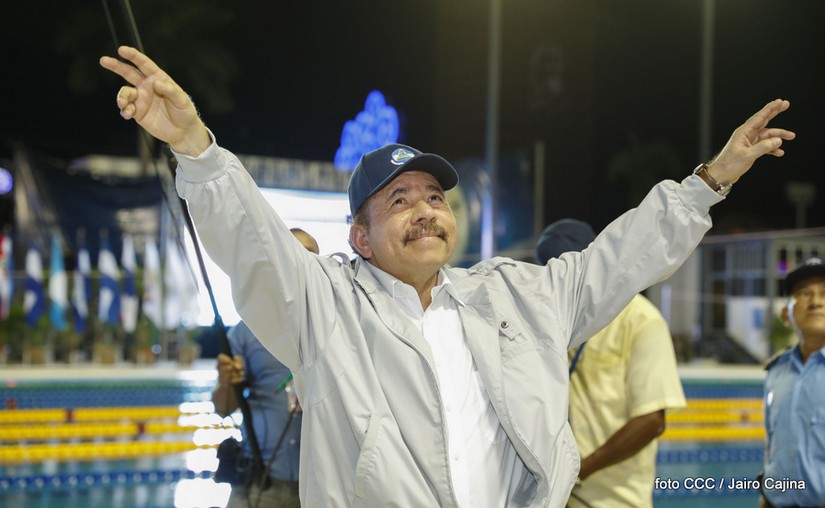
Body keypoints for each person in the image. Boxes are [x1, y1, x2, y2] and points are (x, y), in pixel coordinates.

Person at [100, 45, 794, 507]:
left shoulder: (514, 294)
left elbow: (619, 258)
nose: (425, 210)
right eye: (399, 201)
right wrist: (194, 148)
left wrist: (711, 181)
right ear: (359, 238)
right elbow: (252, 244)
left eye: (434, 196)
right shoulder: (325, 306)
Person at [535, 219, 686, 507]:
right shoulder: (549, 318)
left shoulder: (641, 321)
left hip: (613, 500)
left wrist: (579, 471)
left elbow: (651, 421)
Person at [212, 228, 318, 508]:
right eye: (291, 255)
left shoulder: (338, 328)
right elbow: (223, 408)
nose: (301, 263)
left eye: (309, 256)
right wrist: (227, 382)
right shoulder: (246, 333)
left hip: (320, 486)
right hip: (260, 481)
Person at [761, 257, 825, 507]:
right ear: (786, 314)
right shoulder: (776, 372)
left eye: (824, 294)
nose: (816, 302)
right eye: (803, 294)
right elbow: (772, 447)